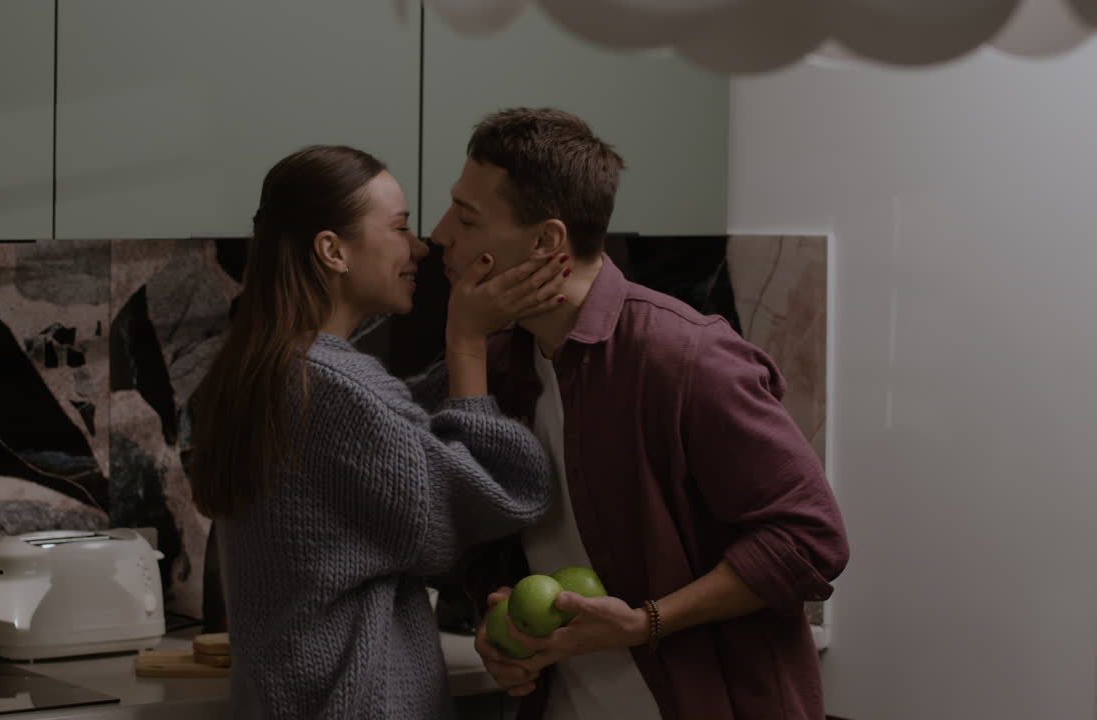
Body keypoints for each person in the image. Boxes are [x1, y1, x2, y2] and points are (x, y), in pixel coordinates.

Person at [432, 108, 850, 720]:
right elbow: (480, 537)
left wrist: (646, 622)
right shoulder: (497, 363)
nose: (440, 233)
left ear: (546, 241)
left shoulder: (686, 357)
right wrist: (498, 624)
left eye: (466, 218)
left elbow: (811, 540)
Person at [188, 145, 569, 719]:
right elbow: (499, 493)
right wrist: (467, 344)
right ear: (332, 251)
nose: (420, 247)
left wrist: (482, 340)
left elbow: (397, 427)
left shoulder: (268, 368)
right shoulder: (334, 388)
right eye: (399, 227)